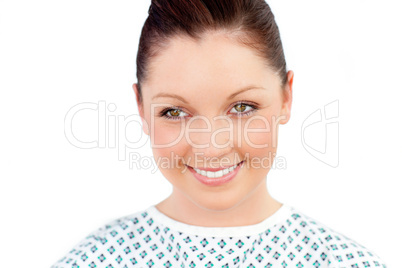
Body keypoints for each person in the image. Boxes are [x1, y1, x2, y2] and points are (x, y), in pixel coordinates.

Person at [51, 0, 387, 267]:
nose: (211, 147)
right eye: (175, 112)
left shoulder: (347, 262)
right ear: (141, 108)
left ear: (287, 97)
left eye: (242, 107)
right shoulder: (94, 261)